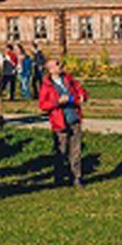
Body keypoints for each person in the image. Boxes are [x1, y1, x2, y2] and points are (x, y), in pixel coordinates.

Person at [38, 57, 88, 188]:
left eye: (60, 64)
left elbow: (80, 90)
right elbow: (43, 105)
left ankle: (76, 178)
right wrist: (57, 102)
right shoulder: (47, 85)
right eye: (57, 65)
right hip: (59, 121)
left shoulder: (68, 80)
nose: (60, 66)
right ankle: (59, 178)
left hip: (74, 118)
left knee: (76, 151)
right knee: (61, 150)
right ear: (51, 69)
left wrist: (80, 96)